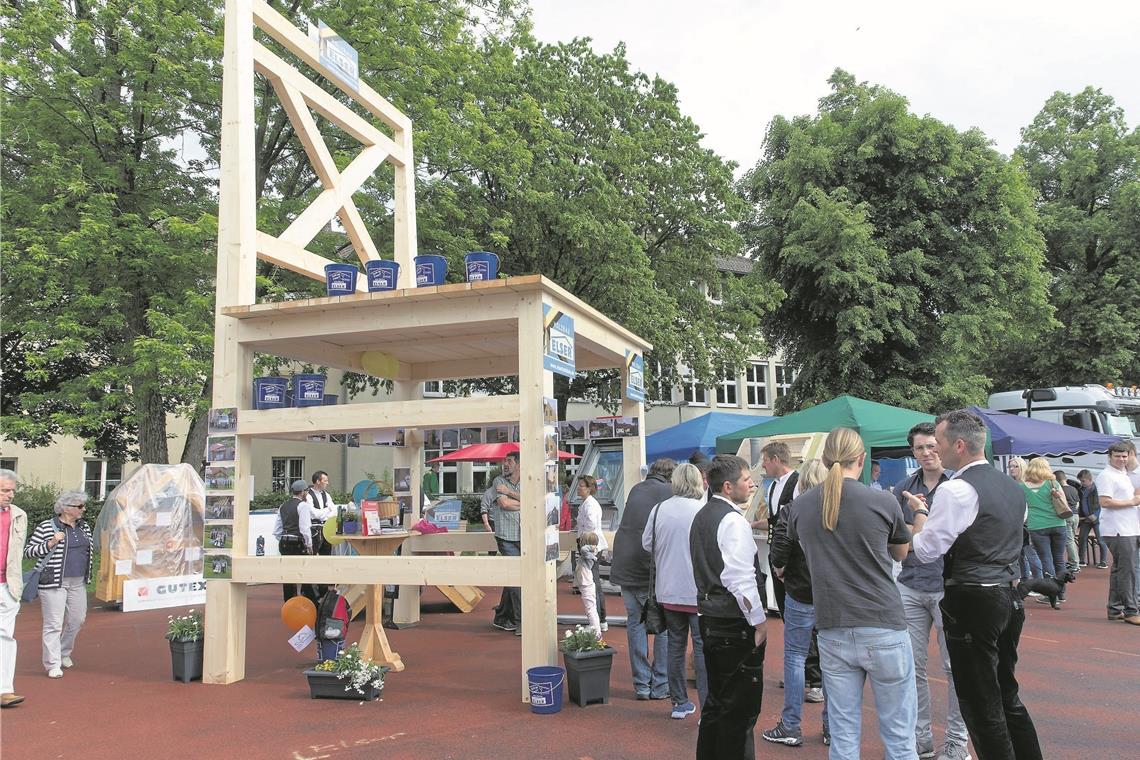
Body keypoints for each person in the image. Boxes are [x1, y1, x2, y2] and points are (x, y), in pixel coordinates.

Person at [908, 409, 1044, 760]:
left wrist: (919, 516)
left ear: (960, 445)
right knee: (1004, 691)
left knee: (980, 701)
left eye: (938, 442)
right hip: (1007, 595)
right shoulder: (1013, 488)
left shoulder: (956, 490)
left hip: (972, 598)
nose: (934, 449)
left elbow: (925, 551)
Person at [787, 428, 916, 760]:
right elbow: (901, 553)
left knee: (843, 738)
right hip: (883, 622)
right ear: (862, 459)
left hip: (833, 625)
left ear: (826, 458)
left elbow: (804, 549)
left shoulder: (801, 506)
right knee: (900, 737)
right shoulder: (882, 500)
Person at [891, 422, 969, 760]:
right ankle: (920, 739)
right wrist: (915, 520)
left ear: (945, 446)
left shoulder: (961, 486)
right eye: (920, 448)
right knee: (911, 668)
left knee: (955, 669)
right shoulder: (903, 489)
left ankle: (956, 742)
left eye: (932, 446)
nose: (927, 453)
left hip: (947, 588)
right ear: (912, 452)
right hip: (910, 585)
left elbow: (960, 534)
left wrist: (918, 522)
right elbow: (895, 537)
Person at [689, 454, 767, 760]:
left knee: (717, 704)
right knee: (740, 712)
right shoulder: (733, 520)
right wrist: (759, 622)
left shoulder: (703, 515)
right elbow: (740, 578)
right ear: (727, 486)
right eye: (746, 480)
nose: (751, 484)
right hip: (734, 624)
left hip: (710, 617)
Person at [764, 459, 831, 748]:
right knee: (832, 660)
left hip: (800, 591)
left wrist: (780, 569)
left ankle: (791, 724)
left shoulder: (792, 510)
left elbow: (778, 553)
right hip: (831, 594)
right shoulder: (836, 509)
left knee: (794, 656)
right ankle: (832, 726)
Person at [643, 463, 708, 719]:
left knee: (675, 646)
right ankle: (707, 706)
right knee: (702, 649)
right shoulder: (703, 511)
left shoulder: (659, 510)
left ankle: (679, 702)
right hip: (698, 592)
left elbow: (647, 543)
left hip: (667, 591)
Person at [611, 458, 673, 701]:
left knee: (635, 622)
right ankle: (660, 683)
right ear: (670, 477)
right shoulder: (668, 492)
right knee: (662, 625)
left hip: (625, 565)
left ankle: (641, 685)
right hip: (648, 568)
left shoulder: (637, 488)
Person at [24, 490, 93, 679]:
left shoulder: (84, 527)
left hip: (78, 581)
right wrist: (51, 542)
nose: (83, 509)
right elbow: (29, 552)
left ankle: (63, 652)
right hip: (53, 582)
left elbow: (88, 552)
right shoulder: (47, 526)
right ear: (66, 508)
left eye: (82, 506)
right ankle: (52, 663)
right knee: (53, 624)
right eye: (79, 506)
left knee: (77, 619)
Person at [1094, 441, 1140, 625]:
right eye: (1118, 456)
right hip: (1118, 530)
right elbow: (1105, 502)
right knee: (1127, 571)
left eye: (1124, 456)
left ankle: (1114, 609)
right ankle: (1130, 610)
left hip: (1128, 528)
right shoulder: (1106, 476)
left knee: (1120, 570)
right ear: (1110, 456)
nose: (1122, 459)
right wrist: (1133, 502)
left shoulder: (1123, 474)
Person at [1021, 459, 1068, 603]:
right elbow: (1064, 504)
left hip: (1037, 525)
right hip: (1058, 523)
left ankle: (1050, 592)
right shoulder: (1053, 484)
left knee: (1046, 558)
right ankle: (1061, 592)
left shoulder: (1022, 486)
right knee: (1059, 559)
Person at [0, 469, 28, 708]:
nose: (10, 495)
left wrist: (14, 586)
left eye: (12, 491)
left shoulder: (19, 515)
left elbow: (16, 554)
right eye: (4, 490)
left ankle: (5, 690)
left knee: (5, 637)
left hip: (7, 586)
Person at [490, 452, 522, 632]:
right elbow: (504, 504)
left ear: (518, 464)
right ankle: (520, 621)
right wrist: (520, 499)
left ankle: (502, 616)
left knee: (513, 577)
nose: (505, 464)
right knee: (517, 579)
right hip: (506, 536)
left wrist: (510, 493)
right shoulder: (498, 481)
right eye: (504, 461)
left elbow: (532, 500)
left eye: (509, 461)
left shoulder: (526, 480)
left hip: (523, 535)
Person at [575, 475, 609, 635]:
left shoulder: (590, 505)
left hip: (591, 546)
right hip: (591, 545)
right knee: (594, 582)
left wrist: (585, 546)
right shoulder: (587, 503)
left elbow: (591, 527)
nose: (578, 488)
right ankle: (600, 619)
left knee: (592, 583)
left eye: (581, 486)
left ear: (589, 488)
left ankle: (599, 620)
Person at [273, 479, 315, 603]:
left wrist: (283, 538)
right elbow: (305, 528)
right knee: (305, 572)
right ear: (302, 492)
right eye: (307, 490)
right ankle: (308, 602)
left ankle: (289, 603)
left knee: (287, 574)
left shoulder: (283, 506)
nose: (307, 492)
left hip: (284, 541)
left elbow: (277, 530)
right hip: (297, 542)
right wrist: (309, 545)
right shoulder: (303, 506)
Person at [305, 471, 337, 596]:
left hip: (325, 528)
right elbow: (313, 514)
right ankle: (310, 591)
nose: (327, 483)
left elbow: (333, 511)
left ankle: (323, 590)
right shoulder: (308, 495)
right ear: (317, 481)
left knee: (326, 557)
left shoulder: (326, 495)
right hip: (314, 529)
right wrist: (327, 510)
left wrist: (324, 512)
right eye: (325, 481)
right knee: (313, 558)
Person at [1076, 469, 1107, 568]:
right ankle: (1081, 560)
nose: (1082, 483)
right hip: (1086, 519)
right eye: (1081, 481)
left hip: (1096, 519)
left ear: (1090, 479)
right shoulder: (1081, 489)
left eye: (1083, 481)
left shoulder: (1097, 489)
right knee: (1082, 538)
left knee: (1100, 539)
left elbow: (1102, 503)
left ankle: (1103, 561)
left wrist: (1096, 515)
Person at [1053, 470, 1081, 577]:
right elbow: (1078, 503)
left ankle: (1074, 563)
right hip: (1076, 515)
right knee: (1072, 539)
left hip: (1067, 515)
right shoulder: (1073, 488)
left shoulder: (1060, 490)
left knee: (1069, 541)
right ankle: (1073, 561)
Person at [576, 532, 602, 635]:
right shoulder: (589, 554)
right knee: (590, 609)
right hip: (586, 582)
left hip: (587, 583)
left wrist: (590, 546)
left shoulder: (588, 553)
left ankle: (597, 632)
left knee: (591, 609)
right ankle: (595, 628)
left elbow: (583, 549)